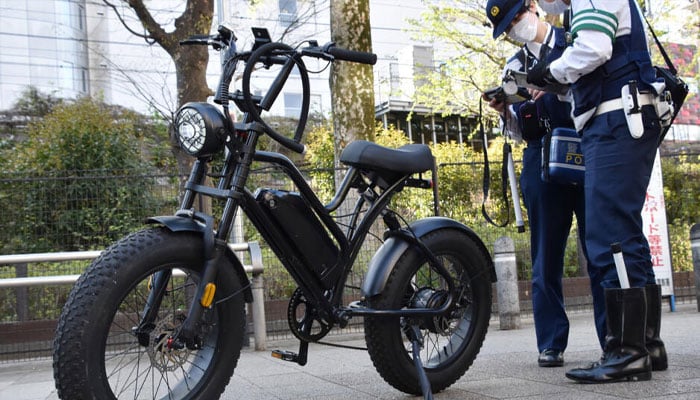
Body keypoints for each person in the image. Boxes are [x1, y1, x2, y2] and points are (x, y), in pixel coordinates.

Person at [527, 0, 668, 383]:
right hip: (624, 116)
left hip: (615, 121)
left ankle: (627, 352)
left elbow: (593, 48)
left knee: (610, 236)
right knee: (627, 234)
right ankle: (646, 344)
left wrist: (549, 71)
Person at [484, 0, 587, 368]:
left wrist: (556, 88)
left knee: (603, 249)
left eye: (516, 19)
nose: (515, 29)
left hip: (585, 148)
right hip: (541, 157)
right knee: (545, 256)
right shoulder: (514, 66)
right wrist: (505, 111)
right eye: (508, 28)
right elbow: (516, 130)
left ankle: (615, 338)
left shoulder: (577, 41)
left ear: (532, 7)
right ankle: (551, 343)